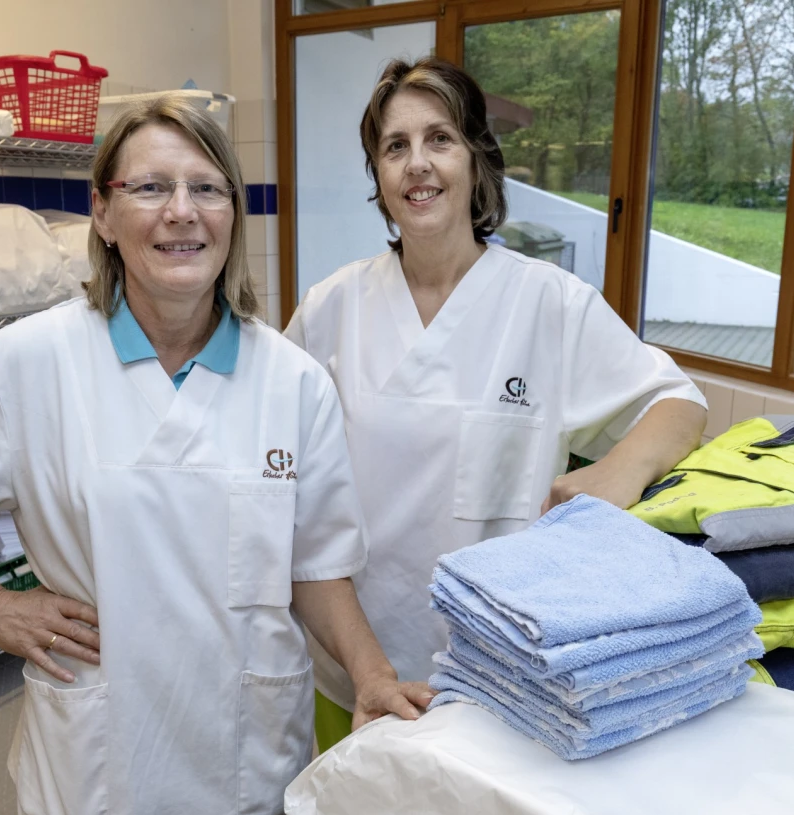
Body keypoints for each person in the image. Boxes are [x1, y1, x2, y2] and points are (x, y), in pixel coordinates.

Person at [0, 94, 431, 815]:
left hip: (246, 759)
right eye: (150, 187)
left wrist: (372, 674)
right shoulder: (25, 364)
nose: (182, 212)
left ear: (231, 215)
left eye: (207, 189)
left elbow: (316, 566)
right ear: (102, 212)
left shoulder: (292, 382)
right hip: (101, 762)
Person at [284, 57, 709, 752]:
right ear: (379, 178)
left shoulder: (548, 302)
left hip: (502, 675)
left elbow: (678, 404)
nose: (418, 164)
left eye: (440, 139)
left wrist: (617, 472)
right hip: (351, 665)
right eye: (396, 147)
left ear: (478, 160)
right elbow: (283, 474)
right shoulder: (333, 306)